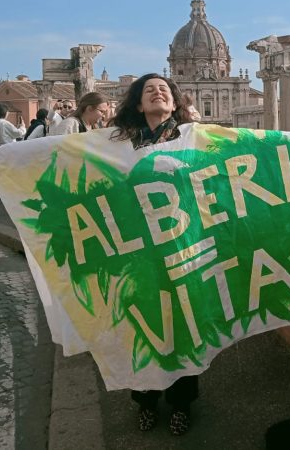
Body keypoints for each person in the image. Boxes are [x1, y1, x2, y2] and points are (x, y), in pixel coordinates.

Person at [108, 73, 197, 435]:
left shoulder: (195, 137)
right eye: (149, 90)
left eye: (164, 89)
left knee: (184, 326)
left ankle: (181, 403)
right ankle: (144, 400)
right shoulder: (116, 144)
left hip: (183, 243)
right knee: (142, 326)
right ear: (138, 104)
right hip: (137, 249)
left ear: (174, 102)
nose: (158, 92)